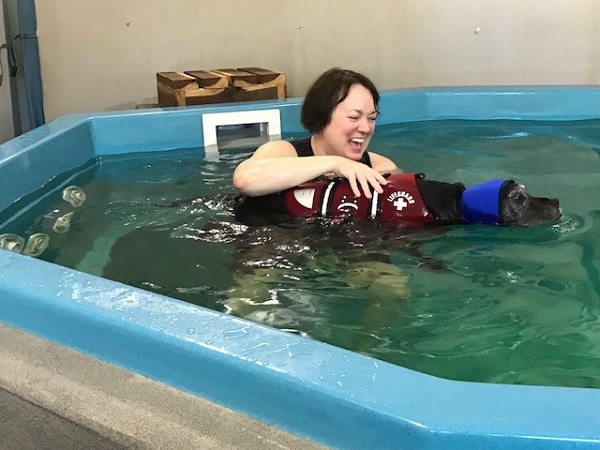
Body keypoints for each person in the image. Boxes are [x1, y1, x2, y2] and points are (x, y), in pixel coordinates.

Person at [232, 68, 400, 202]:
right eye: (354, 117)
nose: (365, 128)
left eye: (372, 118)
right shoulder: (283, 152)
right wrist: (335, 164)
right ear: (322, 116)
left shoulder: (380, 167)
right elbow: (245, 180)